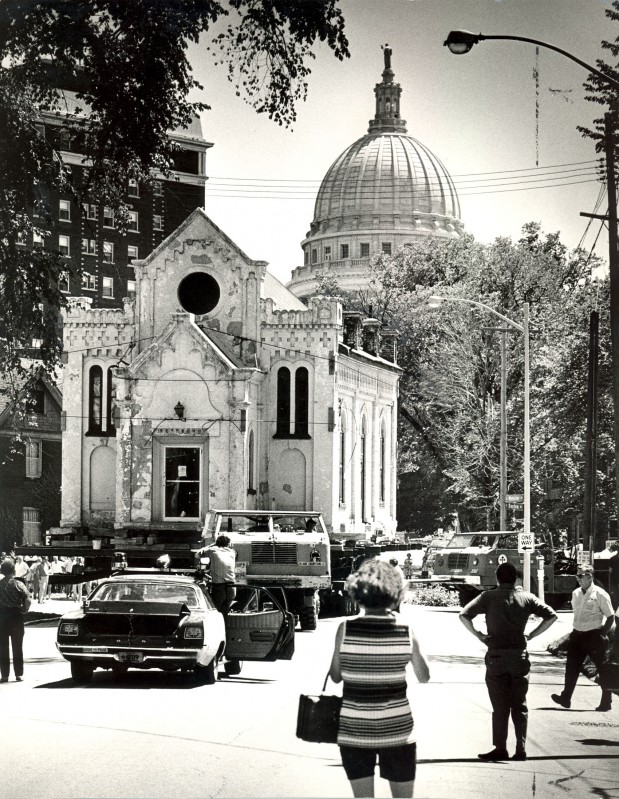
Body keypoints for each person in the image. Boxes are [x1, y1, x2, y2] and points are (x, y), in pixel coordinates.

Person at [329, 558, 430, 798]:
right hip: (397, 730)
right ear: (396, 593)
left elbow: (335, 677)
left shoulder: (345, 629)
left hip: (354, 729)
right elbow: (424, 676)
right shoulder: (406, 629)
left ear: (358, 593)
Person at [460, 562, 558, 762]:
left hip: (496, 656)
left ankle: (500, 747)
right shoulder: (527, 598)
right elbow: (552, 616)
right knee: (519, 705)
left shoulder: (488, 597)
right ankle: (520, 748)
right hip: (519, 657)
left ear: (497, 578)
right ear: (516, 579)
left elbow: (464, 615)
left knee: (500, 706)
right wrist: (531, 635)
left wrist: (479, 635)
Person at [551, 563, 615, 712]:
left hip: (594, 635)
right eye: (577, 575)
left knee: (602, 669)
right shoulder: (575, 594)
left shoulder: (600, 594)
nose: (578, 578)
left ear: (589, 576)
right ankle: (566, 698)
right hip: (577, 635)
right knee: (571, 667)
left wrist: (602, 634)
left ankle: (606, 701)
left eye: (580, 576)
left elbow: (610, 617)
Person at [0, 559, 31, 682]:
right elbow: (28, 598)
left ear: (2, 571)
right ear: (14, 570)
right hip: (16, 616)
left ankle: (4, 675)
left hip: (1, 617)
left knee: (2, 647)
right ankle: (18, 674)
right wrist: (25, 610)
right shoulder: (18, 584)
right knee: (17, 646)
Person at [202, 535, 237, 614]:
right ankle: (225, 625)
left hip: (219, 587)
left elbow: (197, 555)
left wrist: (211, 545)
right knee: (225, 611)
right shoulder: (232, 552)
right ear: (228, 543)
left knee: (215, 611)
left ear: (216, 543)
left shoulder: (212, 549)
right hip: (232, 587)